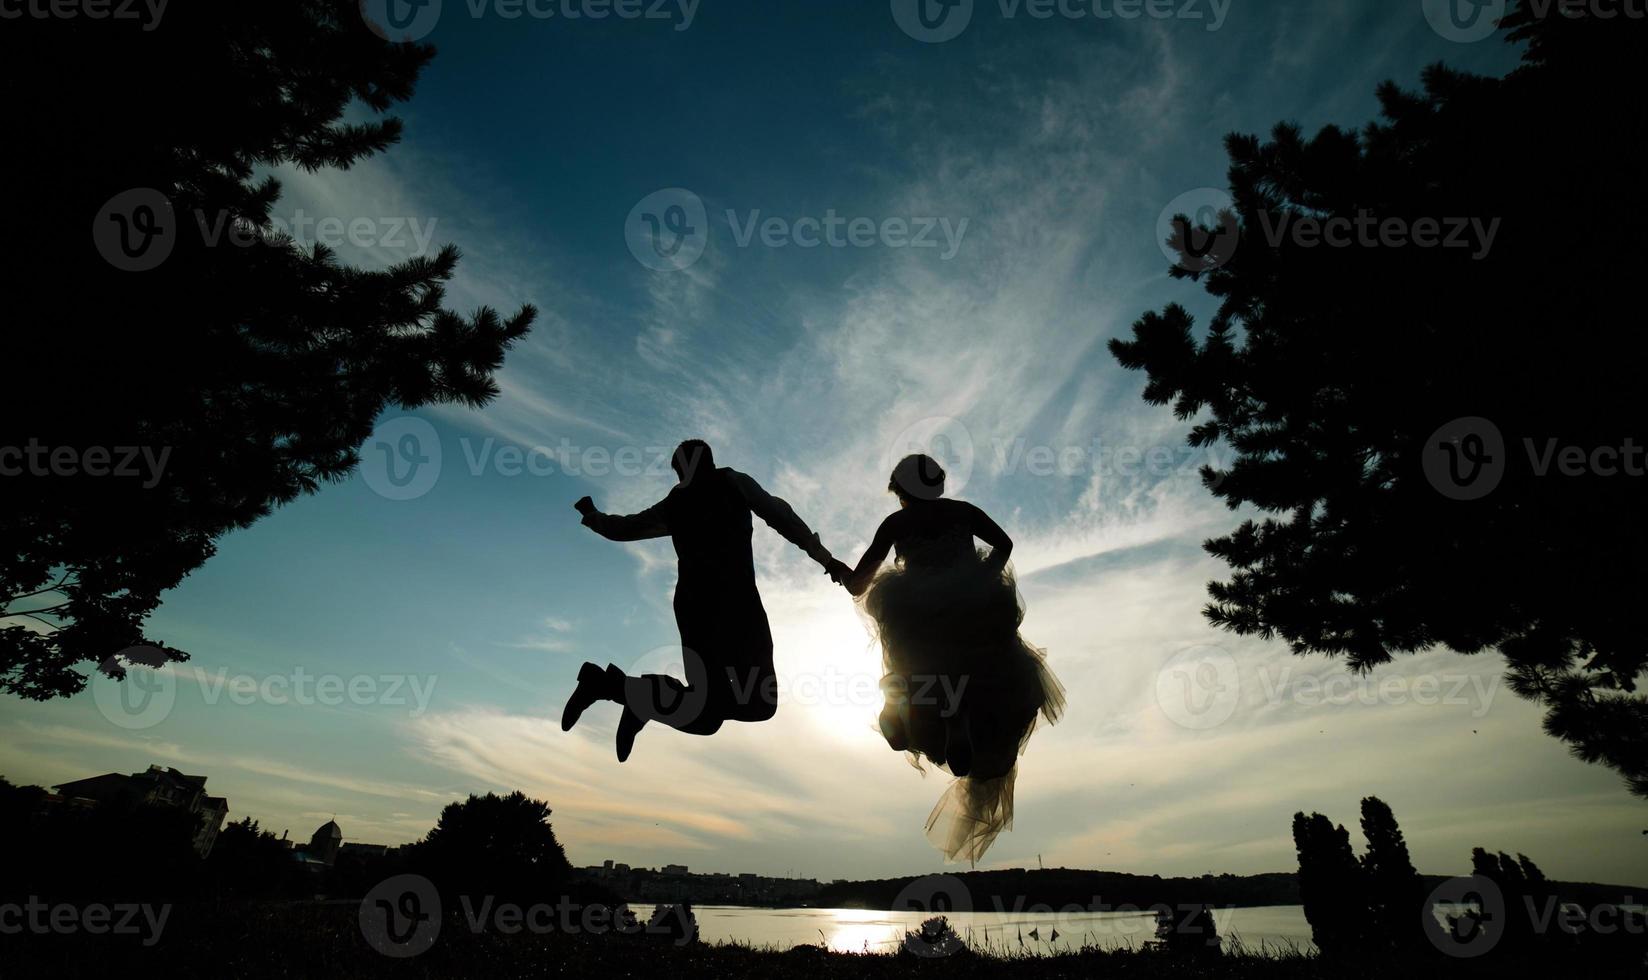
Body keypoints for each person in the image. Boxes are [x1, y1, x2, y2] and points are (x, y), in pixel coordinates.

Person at [838, 453, 1064, 864]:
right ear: (938, 484)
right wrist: (979, 577)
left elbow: (860, 582)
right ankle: (955, 719)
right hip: (969, 607)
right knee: (984, 675)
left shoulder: (897, 523)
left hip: (916, 609)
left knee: (910, 664)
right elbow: (1005, 544)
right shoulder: (963, 512)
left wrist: (845, 575)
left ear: (902, 491)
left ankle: (896, 708)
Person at [561, 440, 848, 761]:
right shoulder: (726, 485)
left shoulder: (690, 497)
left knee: (711, 715)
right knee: (749, 706)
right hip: (730, 608)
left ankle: (623, 691)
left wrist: (593, 515)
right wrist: (827, 560)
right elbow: (781, 516)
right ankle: (635, 695)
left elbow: (626, 528)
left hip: (703, 607)